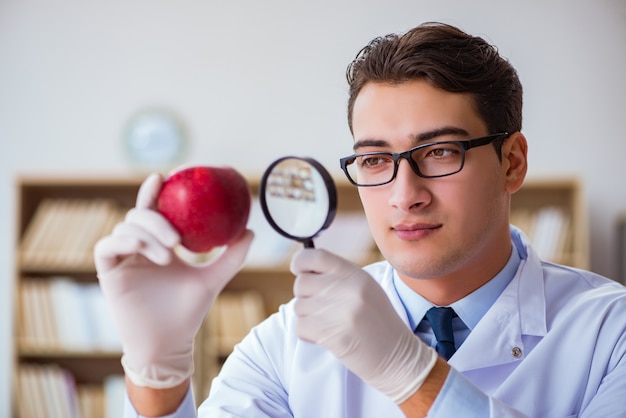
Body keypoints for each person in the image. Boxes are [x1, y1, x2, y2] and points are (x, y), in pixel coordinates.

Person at [95, 22, 626, 417]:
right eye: (375, 160)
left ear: (512, 162)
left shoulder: (611, 333)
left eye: (440, 152)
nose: (405, 195)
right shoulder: (286, 343)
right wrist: (157, 378)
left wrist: (412, 375)